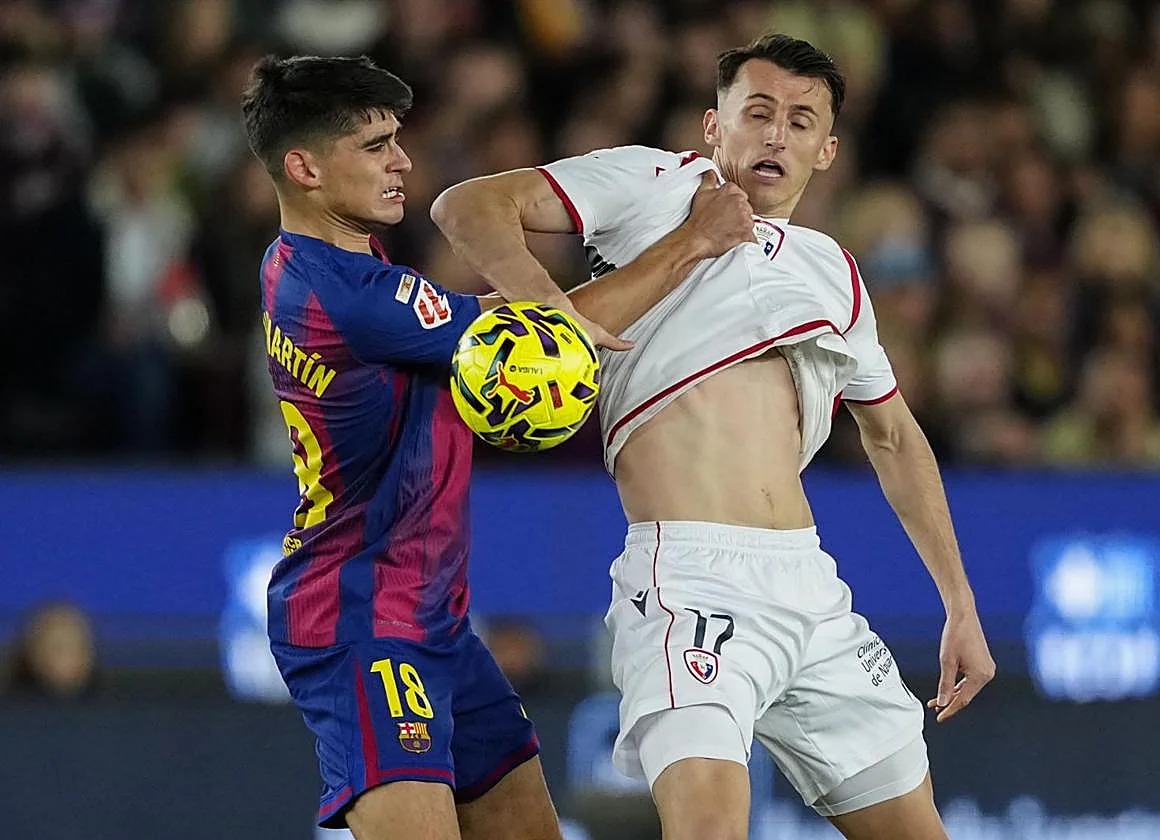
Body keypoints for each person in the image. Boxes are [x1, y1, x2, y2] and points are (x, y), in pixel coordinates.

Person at [431, 34, 995, 840]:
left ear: (827, 150)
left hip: (809, 585)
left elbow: (896, 439)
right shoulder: (655, 183)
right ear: (712, 125)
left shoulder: (833, 270)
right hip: (688, 579)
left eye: (801, 122)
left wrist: (960, 603)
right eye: (757, 113)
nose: (776, 135)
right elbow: (466, 206)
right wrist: (549, 316)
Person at [239, 54, 755, 840]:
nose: (402, 160)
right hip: (360, 620)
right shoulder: (340, 292)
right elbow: (541, 344)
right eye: (375, 145)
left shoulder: (321, 264)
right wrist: (691, 243)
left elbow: (484, 317)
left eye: (396, 139)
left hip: (432, 619)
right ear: (304, 167)